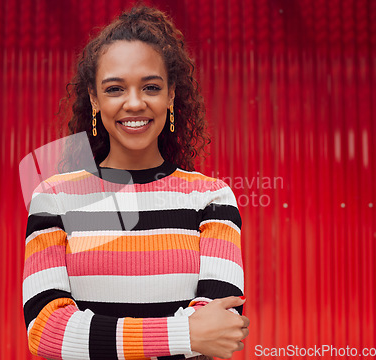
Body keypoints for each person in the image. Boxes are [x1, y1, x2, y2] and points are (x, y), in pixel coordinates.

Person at [22, 6, 249, 360]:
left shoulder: (210, 199)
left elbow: (221, 329)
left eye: (151, 87)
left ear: (171, 95)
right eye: (114, 89)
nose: (134, 103)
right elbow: (47, 331)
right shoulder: (55, 198)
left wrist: (95, 336)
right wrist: (186, 333)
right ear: (95, 99)